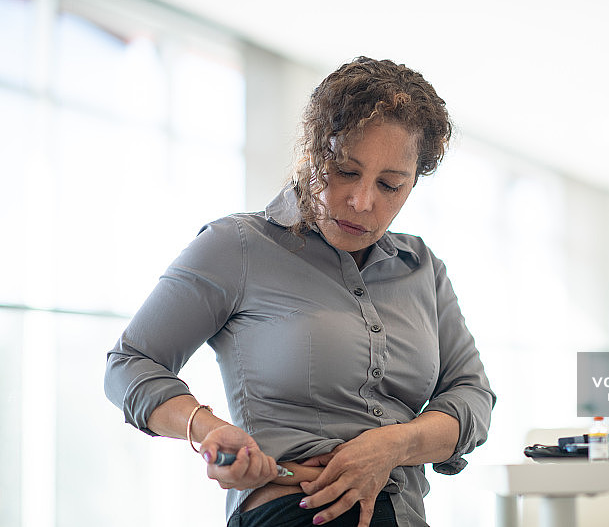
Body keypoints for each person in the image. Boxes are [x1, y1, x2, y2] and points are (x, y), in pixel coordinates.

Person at [105, 56, 495, 527]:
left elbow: (472, 396)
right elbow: (130, 363)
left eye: (391, 185)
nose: (362, 201)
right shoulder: (239, 246)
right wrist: (209, 430)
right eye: (346, 171)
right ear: (311, 150)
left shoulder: (422, 268)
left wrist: (395, 444)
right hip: (293, 510)